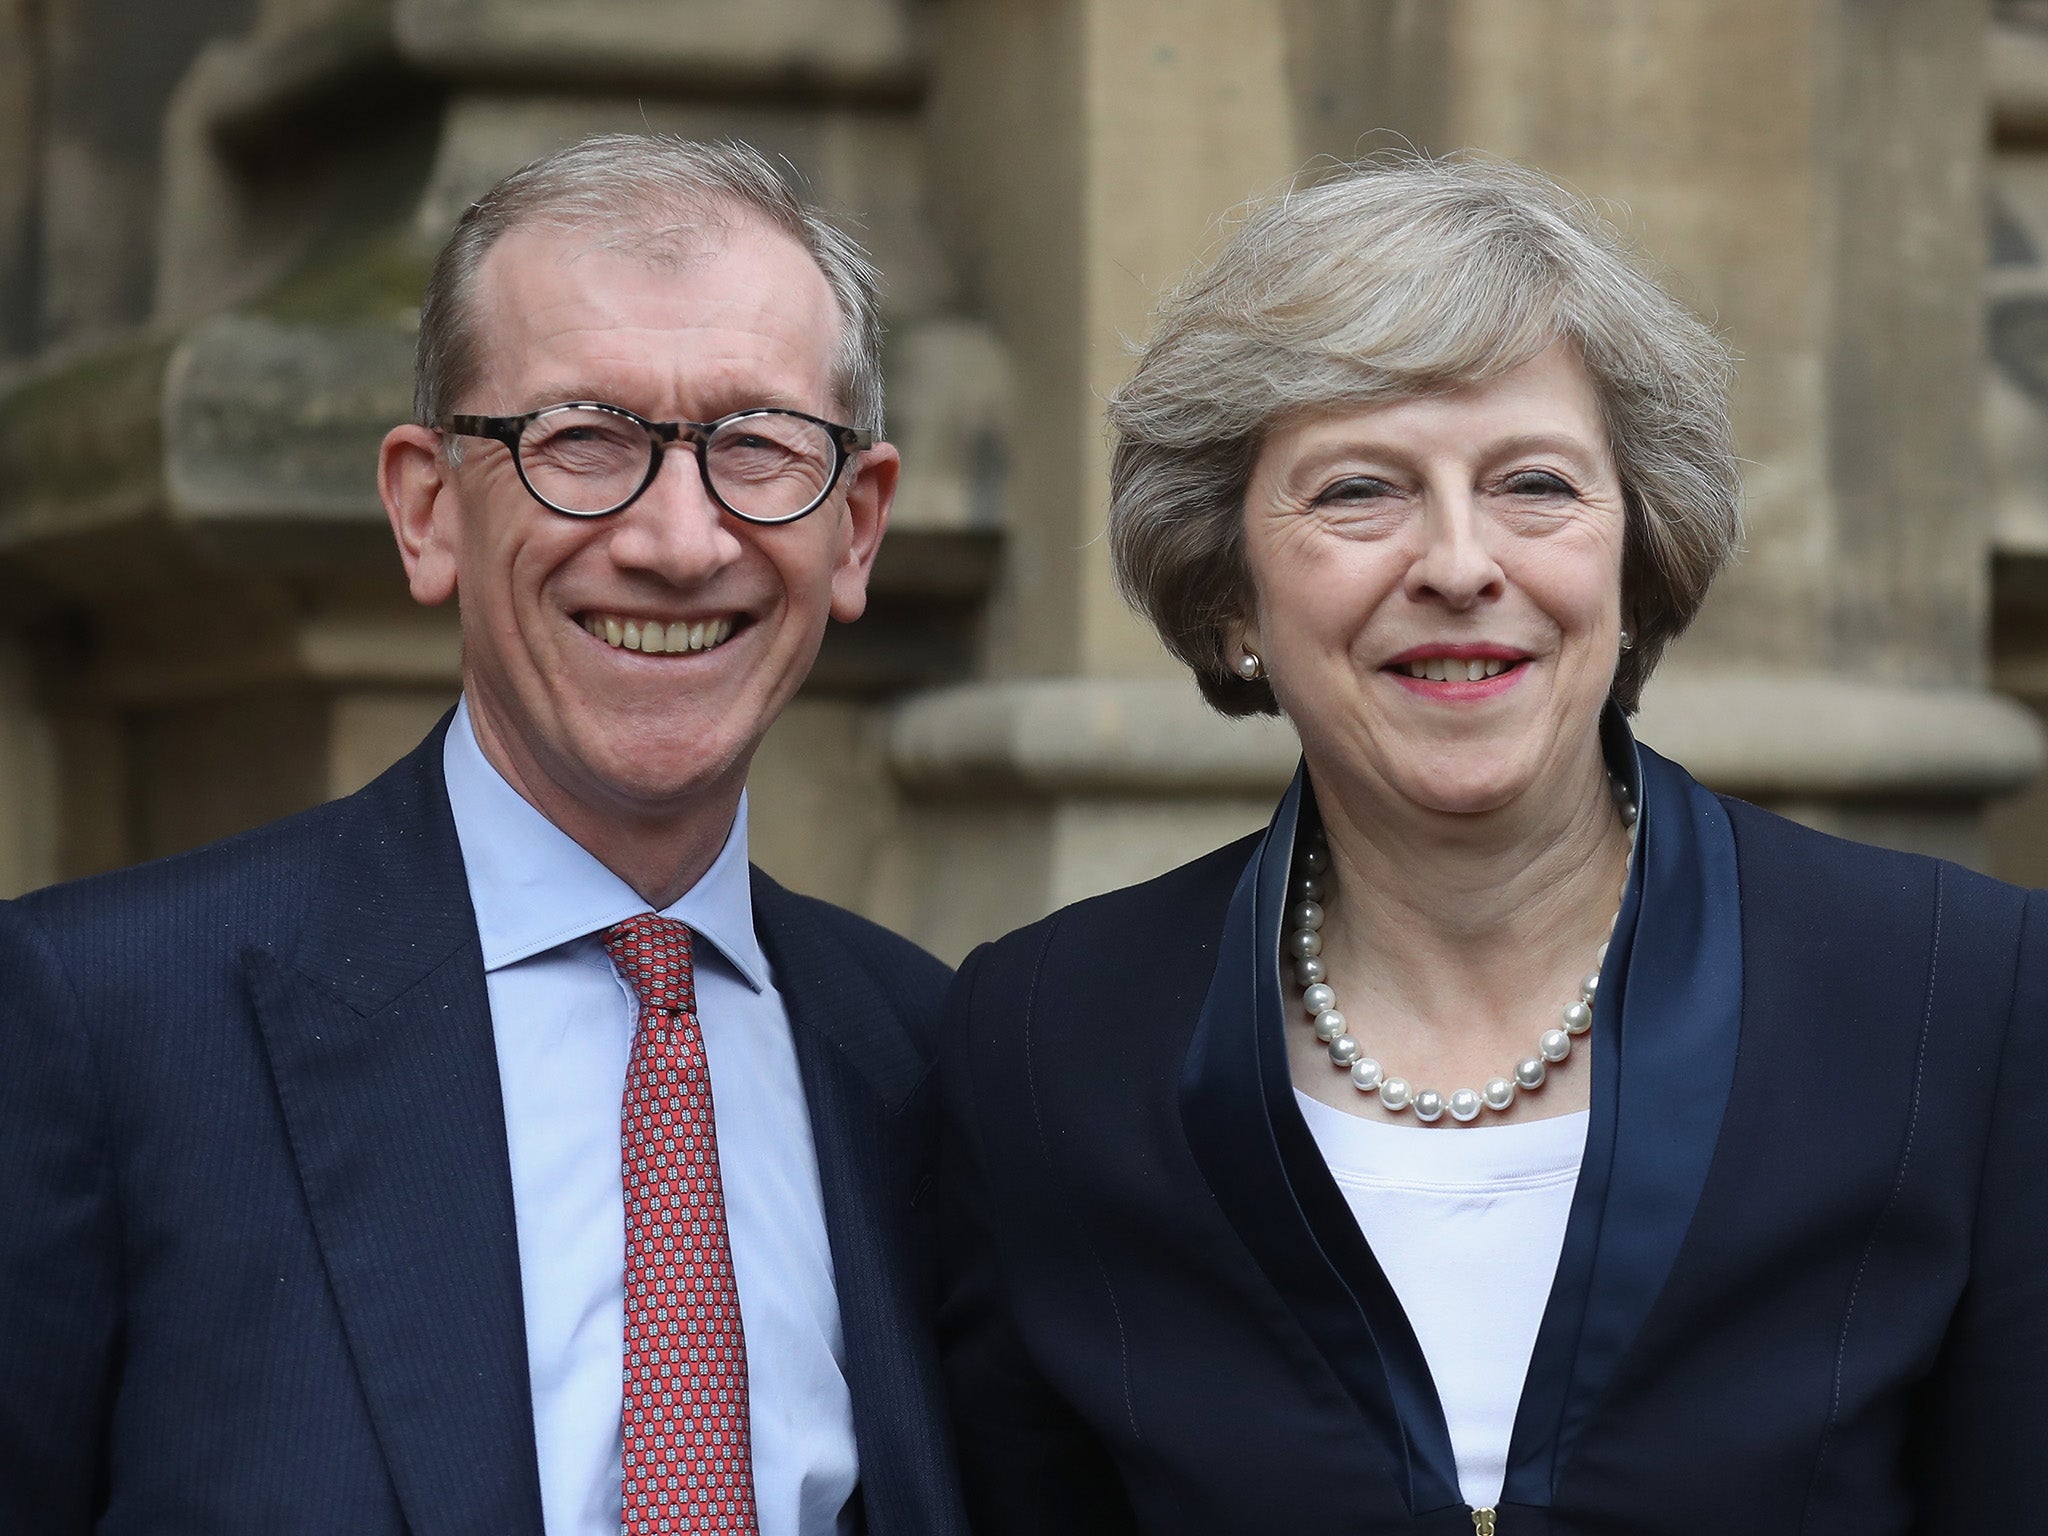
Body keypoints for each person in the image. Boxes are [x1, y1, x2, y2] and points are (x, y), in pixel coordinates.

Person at [934, 155, 2048, 1533]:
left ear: (1633, 566)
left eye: (1532, 484)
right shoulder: (1044, 1040)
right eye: (1358, 492)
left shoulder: (1957, 996)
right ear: (1230, 596)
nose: (1461, 563)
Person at [1, 135, 967, 1536]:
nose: (680, 540)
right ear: (427, 507)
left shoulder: (927, 1060)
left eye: (758, 447)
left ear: (858, 528)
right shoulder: (98, 1020)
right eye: (586, 441)